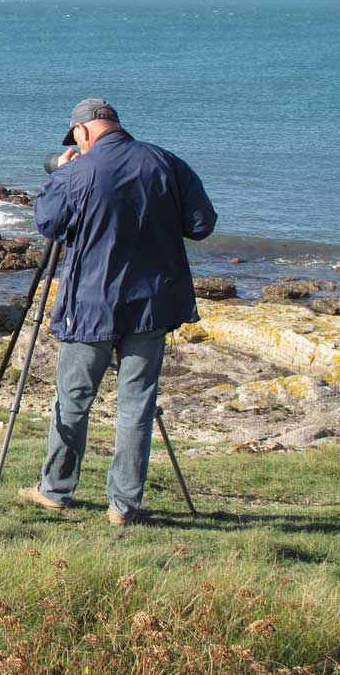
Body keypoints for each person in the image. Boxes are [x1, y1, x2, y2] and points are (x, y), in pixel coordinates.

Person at [17, 98, 216, 525]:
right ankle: (123, 507)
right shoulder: (167, 163)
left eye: (76, 140)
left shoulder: (78, 170)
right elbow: (201, 225)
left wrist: (65, 172)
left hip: (91, 307)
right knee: (137, 406)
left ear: (84, 132)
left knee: (73, 400)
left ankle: (55, 490)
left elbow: (48, 223)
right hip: (151, 305)